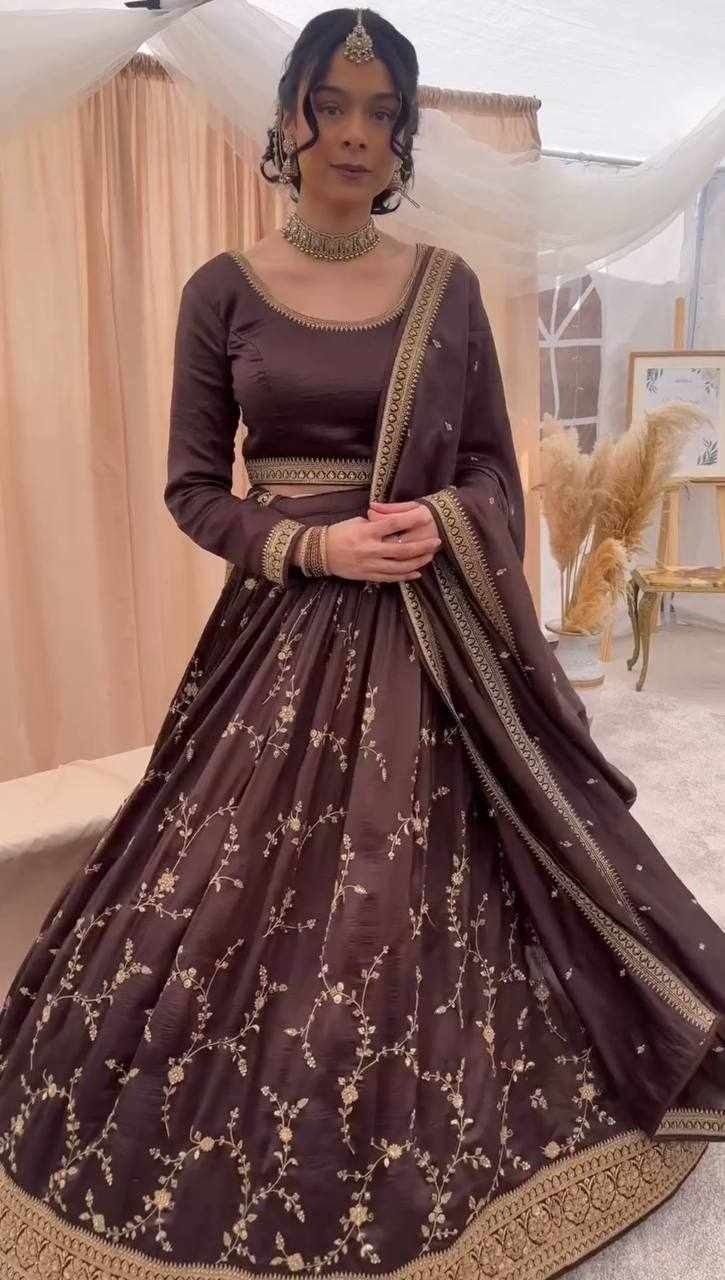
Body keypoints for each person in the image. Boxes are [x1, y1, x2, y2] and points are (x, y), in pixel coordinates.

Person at [0, 9, 723, 1279]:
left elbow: (491, 467)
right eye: (328, 105)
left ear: (401, 137)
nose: (352, 133)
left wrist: (444, 519)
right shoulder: (222, 289)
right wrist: (312, 547)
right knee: (211, 884)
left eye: (380, 112)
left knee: (436, 881)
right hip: (283, 624)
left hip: (435, 634)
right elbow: (191, 488)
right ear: (286, 117)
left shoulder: (444, 287)